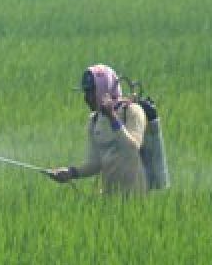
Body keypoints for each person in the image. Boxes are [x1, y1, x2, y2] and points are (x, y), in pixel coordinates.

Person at [49, 65, 148, 195]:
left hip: (136, 197)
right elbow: (95, 163)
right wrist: (70, 172)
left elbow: (132, 147)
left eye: (90, 92)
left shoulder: (132, 111)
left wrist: (112, 117)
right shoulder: (94, 120)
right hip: (109, 197)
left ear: (103, 90)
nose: (86, 98)